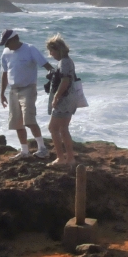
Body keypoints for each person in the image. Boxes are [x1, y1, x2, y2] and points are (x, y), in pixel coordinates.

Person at [0, 28, 53, 159]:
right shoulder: (6, 53)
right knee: (17, 122)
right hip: (13, 90)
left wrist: (53, 76)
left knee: (29, 119)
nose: (6, 46)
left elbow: (46, 65)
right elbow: (5, 74)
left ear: (15, 39)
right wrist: (2, 93)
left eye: (7, 42)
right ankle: (24, 151)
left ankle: (42, 149)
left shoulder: (30, 49)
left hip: (28, 88)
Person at [44, 34, 82, 167]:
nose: (51, 54)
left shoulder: (64, 62)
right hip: (70, 98)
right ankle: (70, 158)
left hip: (64, 100)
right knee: (63, 128)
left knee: (53, 128)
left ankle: (60, 158)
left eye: (52, 51)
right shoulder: (67, 61)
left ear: (57, 49)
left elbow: (65, 80)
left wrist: (56, 97)